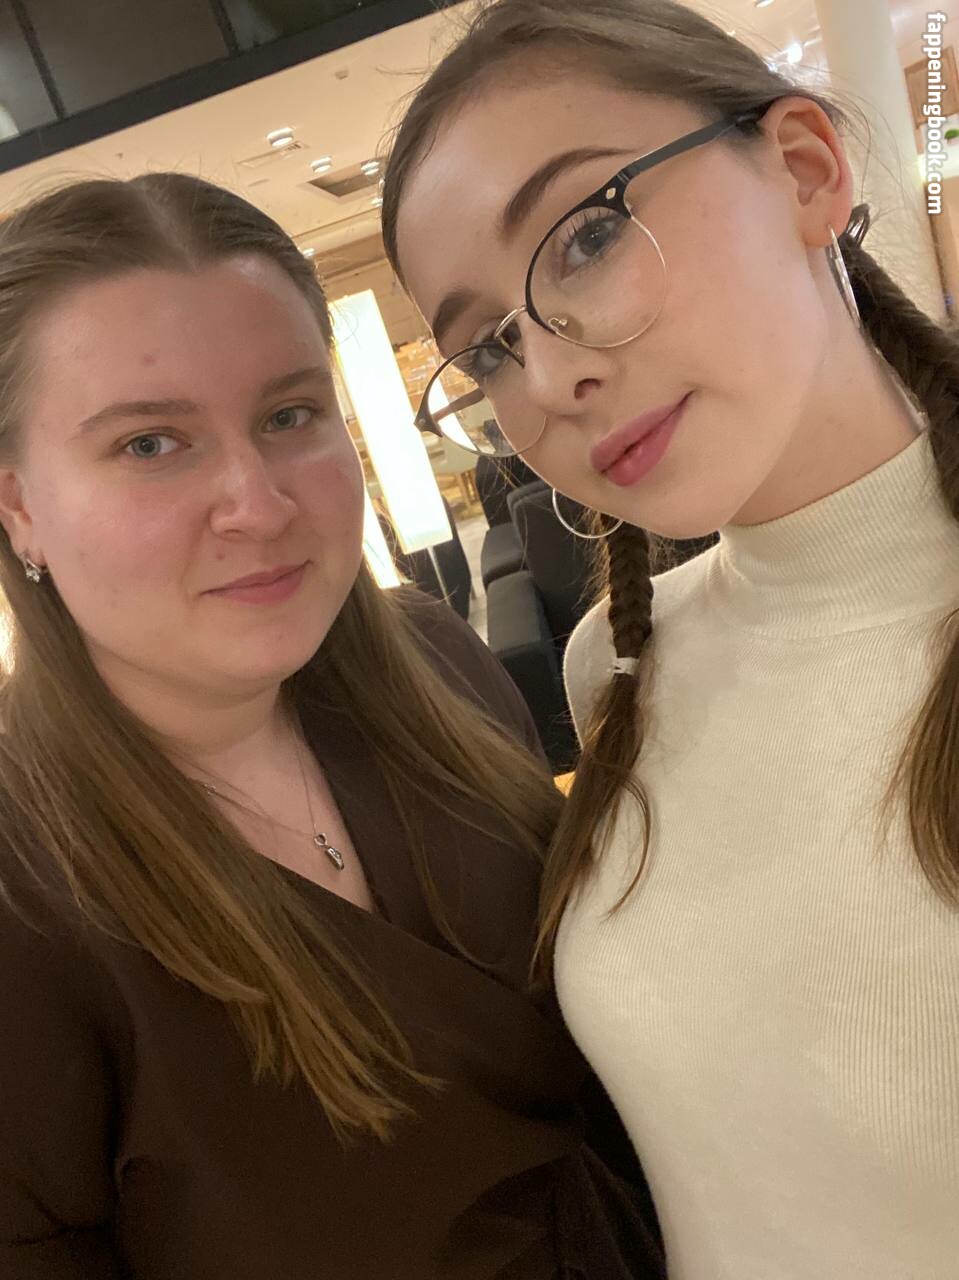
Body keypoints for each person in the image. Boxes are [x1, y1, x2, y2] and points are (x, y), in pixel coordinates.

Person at [381, 1, 959, 1275]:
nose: (549, 377)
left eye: (586, 235)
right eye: (487, 346)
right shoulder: (620, 666)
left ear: (803, 169)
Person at [0, 173, 665, 1279]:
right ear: (19, 502)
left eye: (287, 416)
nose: (258, 504)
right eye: (150, 444)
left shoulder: (437, 663)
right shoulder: (27, 884)